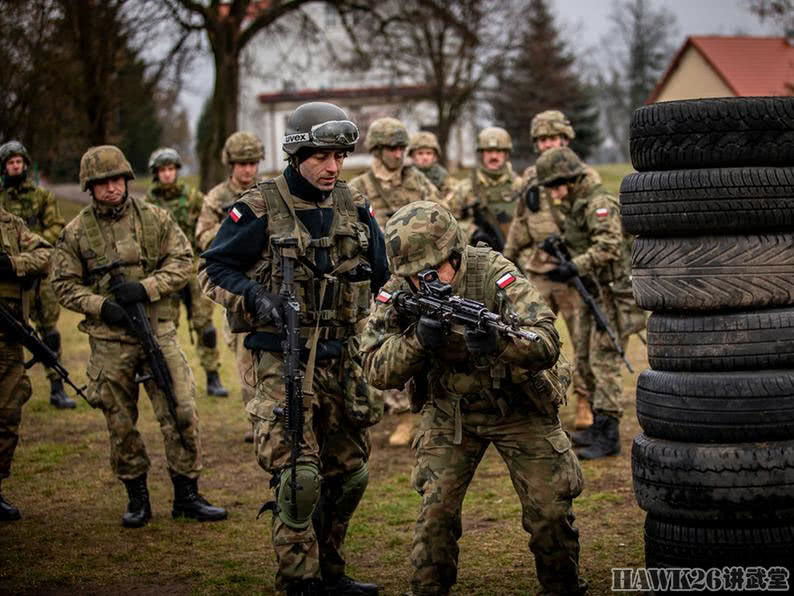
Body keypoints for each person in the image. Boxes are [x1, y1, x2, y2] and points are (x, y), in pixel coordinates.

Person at [199, 102, 388, 596]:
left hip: (342, 361)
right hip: (282, 362)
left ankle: (331, 570)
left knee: (347, 475)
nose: (332, 167)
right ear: (298, 152)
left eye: (340, 157)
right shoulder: (258, 206)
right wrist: (257, 298)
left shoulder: (355, 204)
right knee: (299, 479)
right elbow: (212, 270)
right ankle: (297, 581)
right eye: (322, 156)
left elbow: (384, 274)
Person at [359, 201, 586, 596]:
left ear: (455, 253)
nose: (424, 282)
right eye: (414, 276)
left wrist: (500, 343)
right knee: (435, 514)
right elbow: (376, 368)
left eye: (433, 272)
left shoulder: (494, 272)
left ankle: (563, 587)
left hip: (517, 406)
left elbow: (546, 341)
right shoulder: (400, 287)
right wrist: (418, 341)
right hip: (451, 410)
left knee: (550, 511)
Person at [51, 145, 227, 527]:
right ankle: (137, 497)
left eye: (117, 180)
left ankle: (187, 494)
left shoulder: (156, 219)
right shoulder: (77, 232)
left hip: (158, 332)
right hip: (109, 341)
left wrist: (146, 288)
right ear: (89, 187)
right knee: (119, 420)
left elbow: (183, 263)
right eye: (102, 183)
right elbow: (63, 284)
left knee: (181, 408)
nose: (112, 188)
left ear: (127, 180)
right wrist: (101, 306)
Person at [535, 146, 632, 460]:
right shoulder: (577, 205)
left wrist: (574, 266)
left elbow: (609, 246)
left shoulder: (597, 203)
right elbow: (585, 241)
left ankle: (610, 433)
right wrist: (560, 246)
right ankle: (596, 427)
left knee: (604, 361)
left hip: (611, 294)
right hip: (592, 291)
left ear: (571, 179)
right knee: (587, 359)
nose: (554, 194)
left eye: (556, 186)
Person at [504, 110, 600, 430]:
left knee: (581, 340)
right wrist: (507, 257)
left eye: (553, 138)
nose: (548, 144)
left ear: (566, 139)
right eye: (542, 139)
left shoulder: (582, 175)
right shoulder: (530, 176)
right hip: (537, 272)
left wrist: (581, 262)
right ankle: (535, 397)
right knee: (529, 338)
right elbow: (520, 220)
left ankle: (585, 398)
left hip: (571, 273)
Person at [349, 118, 440, 446]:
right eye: (391, 148)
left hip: (415, 277)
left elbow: (439, 219)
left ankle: (418, 415)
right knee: (381, 345)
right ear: (376, 149)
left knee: (419, 342)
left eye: (402, 148)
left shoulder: (419, 183)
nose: (398, 154)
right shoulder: (360, 187)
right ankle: (392, 411)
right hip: (376, 279)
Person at [195, 131, 264, 439]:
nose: (247, 169)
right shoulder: (217, 198)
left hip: (266, 284)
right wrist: (238, 236)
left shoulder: (268, 192)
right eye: (241, 163)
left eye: (252, 163)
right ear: (230, 164)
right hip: (236, 287)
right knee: (245, 358)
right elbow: (204, 237)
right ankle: (256, 421)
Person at [146, 147, 228, 398]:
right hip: (165, 271)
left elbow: (203, 230)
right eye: (163, 170)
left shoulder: (193, 198)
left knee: (205, 325)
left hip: (193, 267)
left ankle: (212, 376)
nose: (168, 174)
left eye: (171, 169)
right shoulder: (148, 204)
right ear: (156, 173)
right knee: (165, 327)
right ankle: (170, 377)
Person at [0, 140, 73, 409]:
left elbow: (55, 229)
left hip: (40, 276)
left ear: (26, 164)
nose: (15, 166)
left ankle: (57, 386)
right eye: (10, 163)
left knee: (49, 331)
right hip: (7, 283)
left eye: (19, 162)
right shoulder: (1, 200)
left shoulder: (43, 197)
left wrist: (27, 256)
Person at [0, 207, 53, 520]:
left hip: (8, 338)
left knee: (7, 413)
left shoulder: (11, 224)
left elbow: (47, 255)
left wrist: (11, 264)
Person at [444, 126, 524, 246]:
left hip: (518, 251)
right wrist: (472, 231)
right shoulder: (466, 188)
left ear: (506, 154)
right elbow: (445, 221)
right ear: (481, 154)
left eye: (498, 151)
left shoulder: (520, 186)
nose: (494, 156)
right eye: (489, 152)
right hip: (480, 254)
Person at [407, 131, 456, 195]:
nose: (425, 157)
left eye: (429, 153)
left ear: (435, 156)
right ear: (412, 156)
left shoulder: (443, 177)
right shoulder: (404, 175)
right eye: (420, 153)